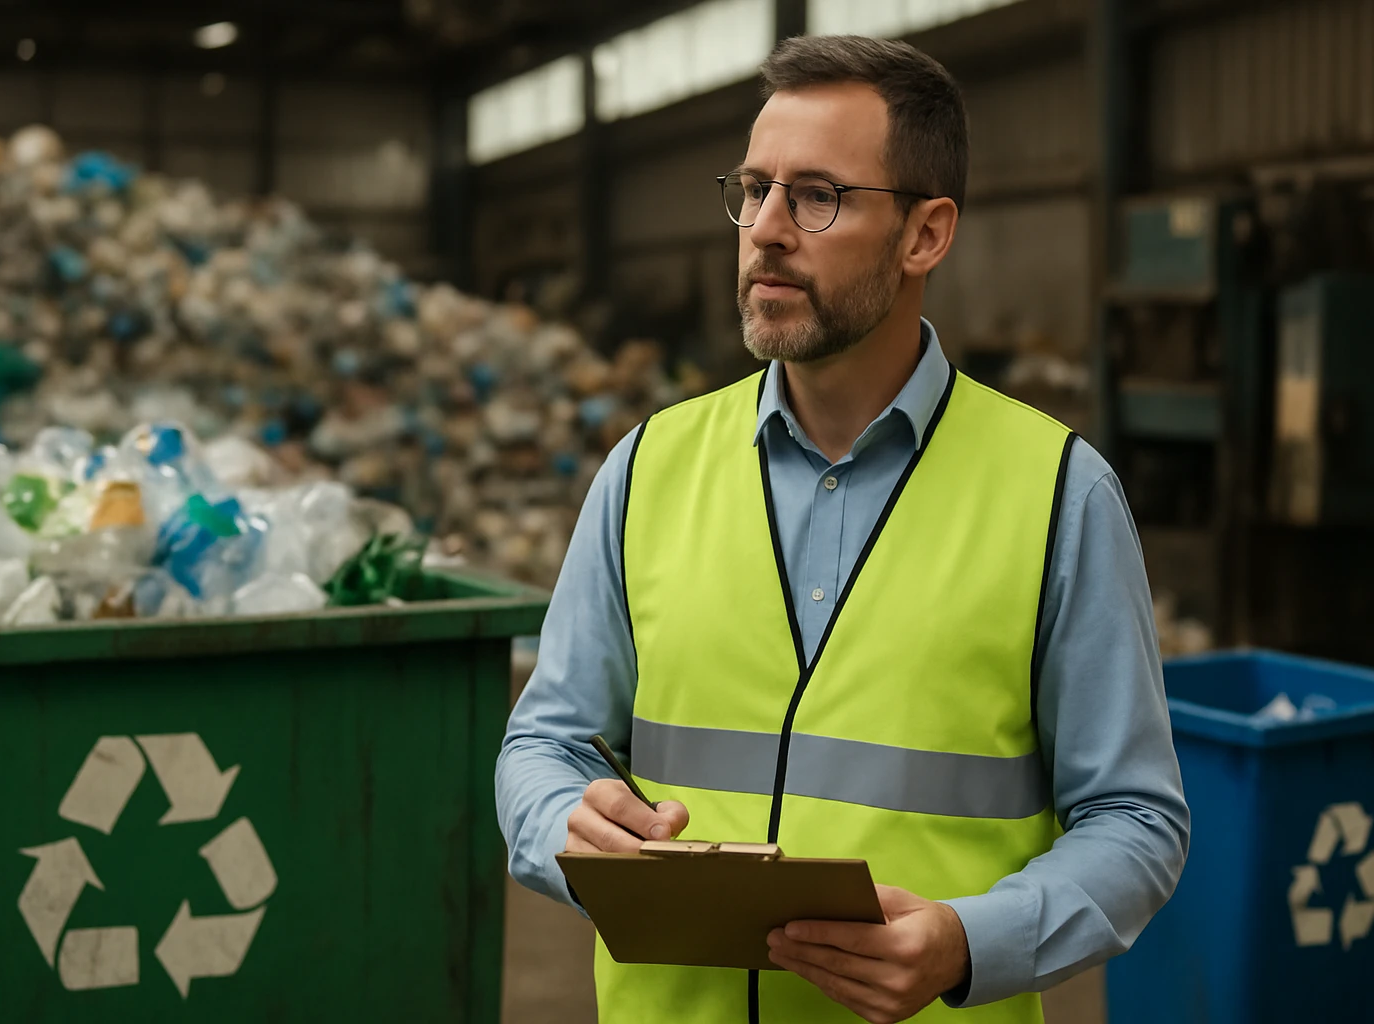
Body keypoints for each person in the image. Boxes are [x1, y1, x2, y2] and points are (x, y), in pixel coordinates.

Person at [496, 33, 1189, 1024]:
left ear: (926, 235)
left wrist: (967, 942)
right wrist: (561, 817)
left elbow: (1136, 820)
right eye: (753, 189)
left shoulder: (1057, 497)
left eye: (816, 195)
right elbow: (541, 744)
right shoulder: (648, 471)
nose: (767, 229)